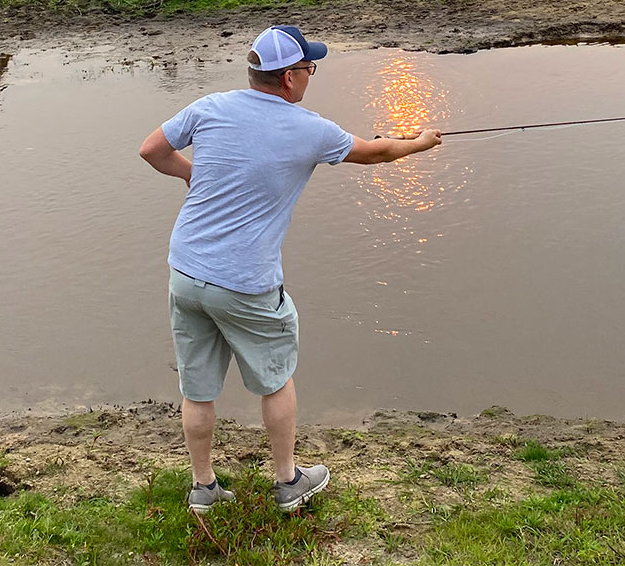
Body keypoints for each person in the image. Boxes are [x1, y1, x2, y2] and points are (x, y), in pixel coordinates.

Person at [139, 25, 441, 513]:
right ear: (287, 79)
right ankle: (287, 481)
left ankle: (203, 488)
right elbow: (377, 151)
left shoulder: (210, 107)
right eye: (307, 69)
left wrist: (192, 173)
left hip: (186, 271)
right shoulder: (310, 129)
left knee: (197, 389)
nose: (309, 77)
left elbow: (151, 150)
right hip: (246, 282)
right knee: (276, 379)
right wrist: (420, 142)